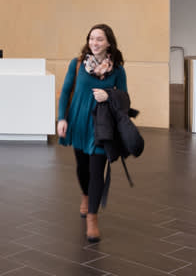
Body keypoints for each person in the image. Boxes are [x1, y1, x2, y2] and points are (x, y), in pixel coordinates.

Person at [57, 23, 128, 244]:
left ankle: (92, 218)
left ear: (108, 43)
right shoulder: (77, 64)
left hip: (101, 126)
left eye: (99, 39)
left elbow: (125, 99)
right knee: (82, 168)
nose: (94, 43)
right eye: (91, 38)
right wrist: (61, 118)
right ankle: (86, 196)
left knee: (97, 171)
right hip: (78, 122)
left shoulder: (117, 70)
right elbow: (65, 92)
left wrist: (109, 96)